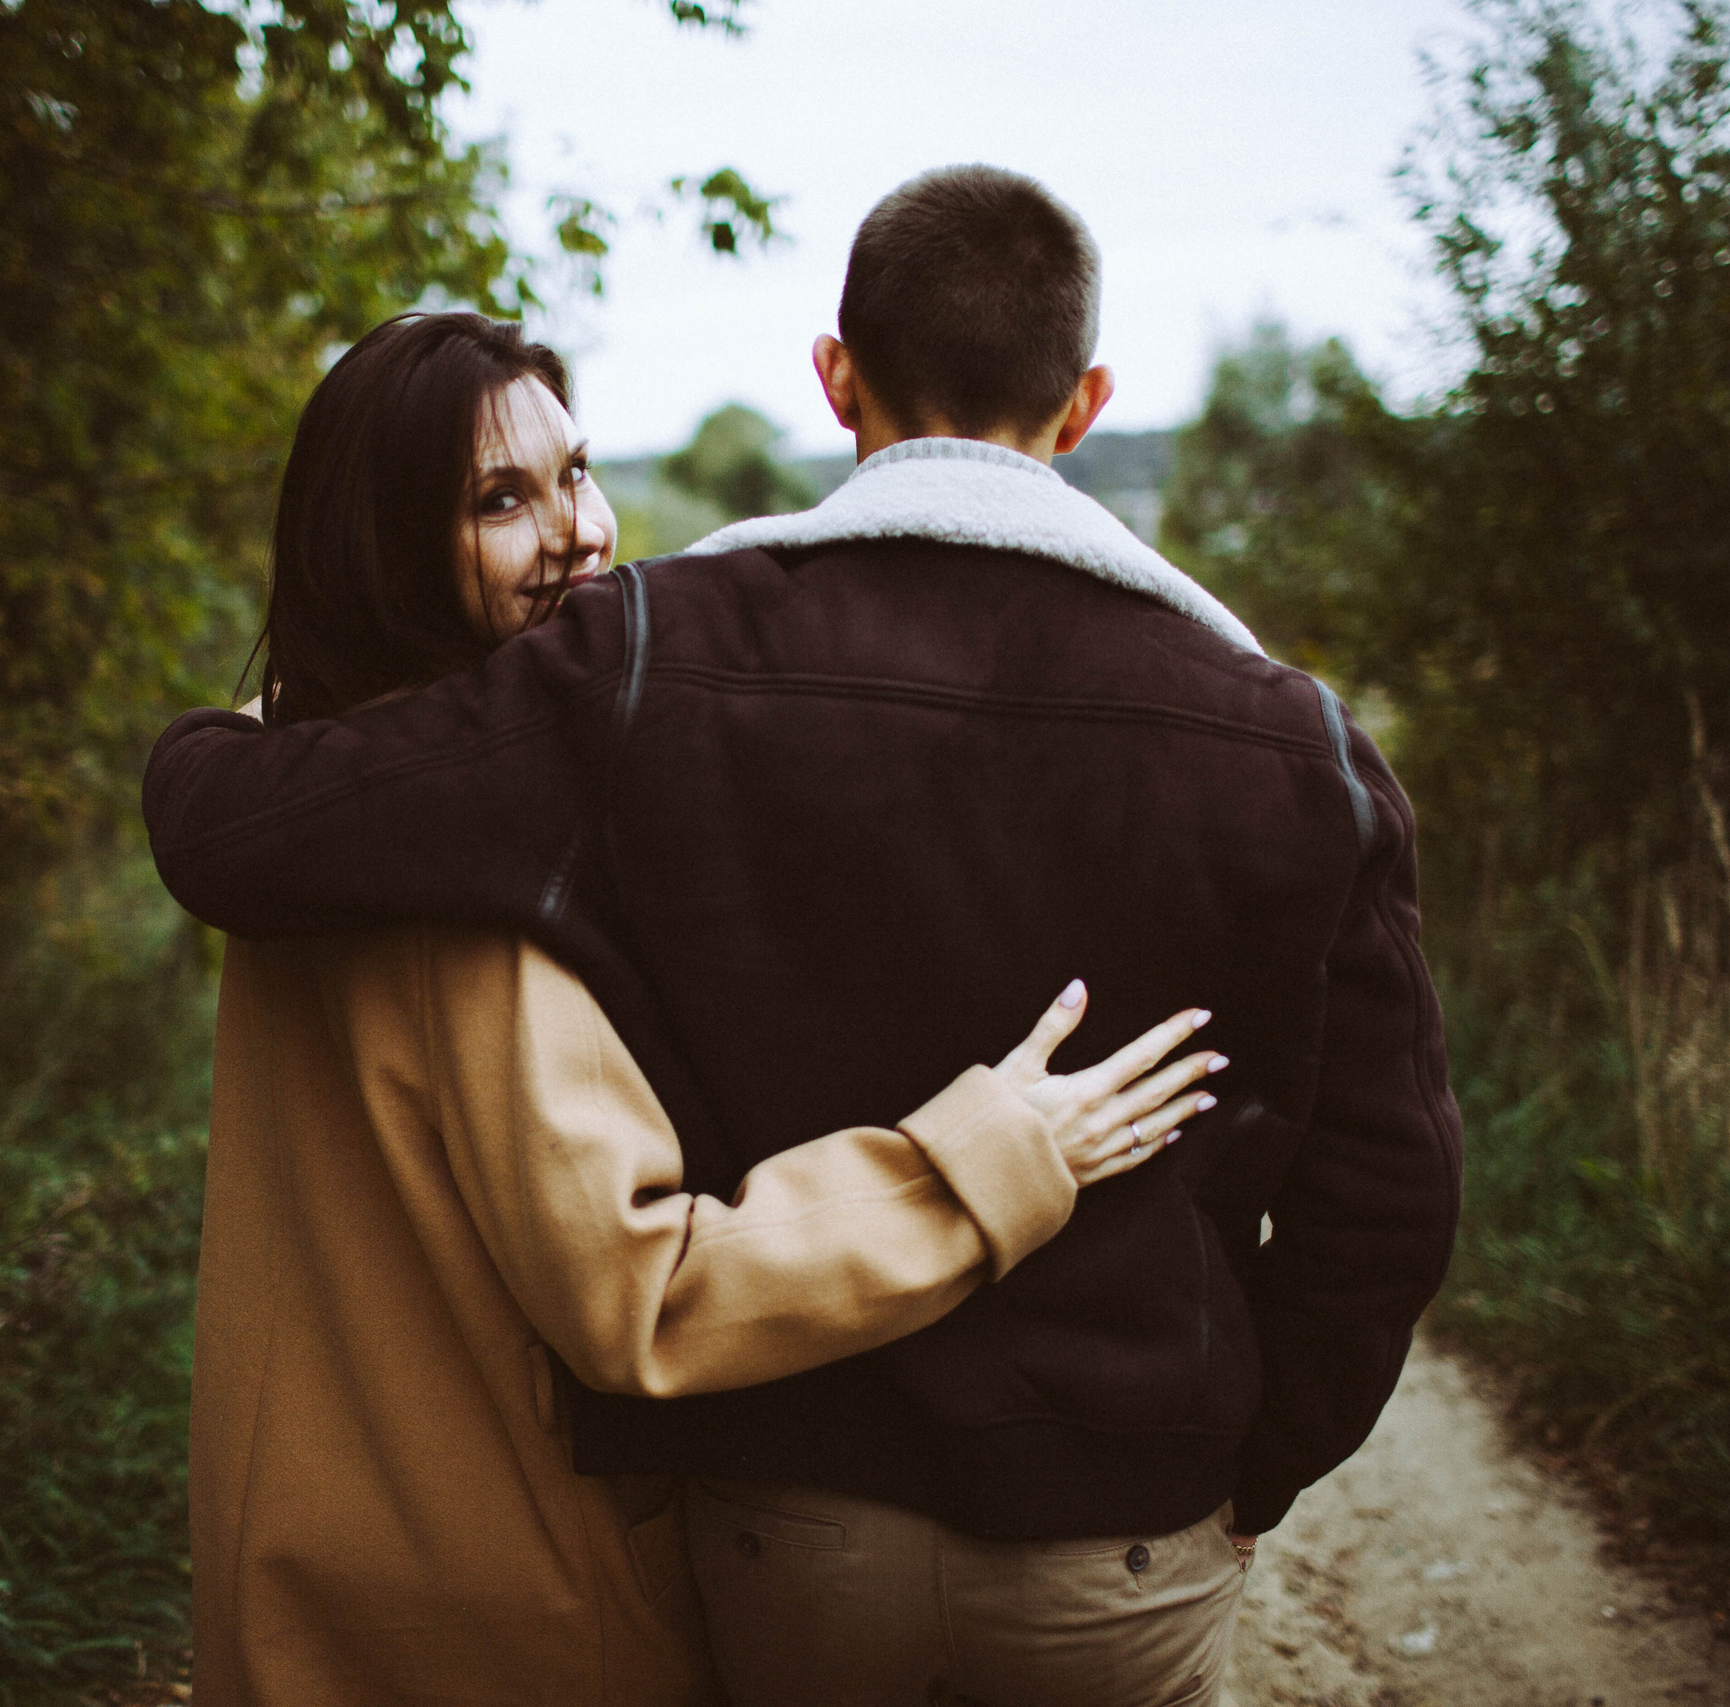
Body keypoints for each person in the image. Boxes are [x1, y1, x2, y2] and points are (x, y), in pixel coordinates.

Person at [148, 167, 1463, 1707]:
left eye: (568, 481)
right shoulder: (1295, 736)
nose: (572, 535)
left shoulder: (645, 671)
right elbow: (1388, 1185)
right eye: (504, 495)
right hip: (1123, 1534)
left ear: (835, 373)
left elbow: (236, 821)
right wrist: (1248, 1464)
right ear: (1089, 400)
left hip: (781, 1511)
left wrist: (213, 744)